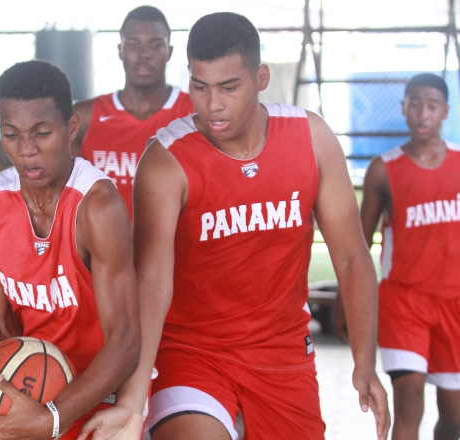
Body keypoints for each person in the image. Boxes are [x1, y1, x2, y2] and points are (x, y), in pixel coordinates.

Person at [79, 12, 390, 440]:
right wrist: (133, 401)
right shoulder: (166, 159)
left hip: (282, 352)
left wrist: (365, 360)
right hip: (189, 351)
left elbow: (353, 257)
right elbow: (151, 282)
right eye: (200, 87)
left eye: (229, 87)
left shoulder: (311, 138)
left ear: (260, 77)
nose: (213, 105)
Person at [0, 60, 140, 440]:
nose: (26, 151)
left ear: (70, 128)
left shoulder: (98, 207)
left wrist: (53, 418)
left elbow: (125, 338)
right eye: (11, 135)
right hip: (22, 385)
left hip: (92, 389)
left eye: (41, 133)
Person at [356, 73, 460, 440]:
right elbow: (358, 242)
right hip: (404, 302)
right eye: (415, 104)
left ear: (446, 111)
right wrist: (345, 299)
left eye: (432, 106)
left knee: (455, 418)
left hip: (454, 303)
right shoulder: (384, 169)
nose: (422, 113)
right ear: (403, 108)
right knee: (408, 400)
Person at [72, 5, 194, 217]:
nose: (144, 54)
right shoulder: (86, 115)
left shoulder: (193, 113)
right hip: (103, 247)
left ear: (169, 52)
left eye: (156, 45)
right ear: (120, 50)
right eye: (134, 44)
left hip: (175, 247)